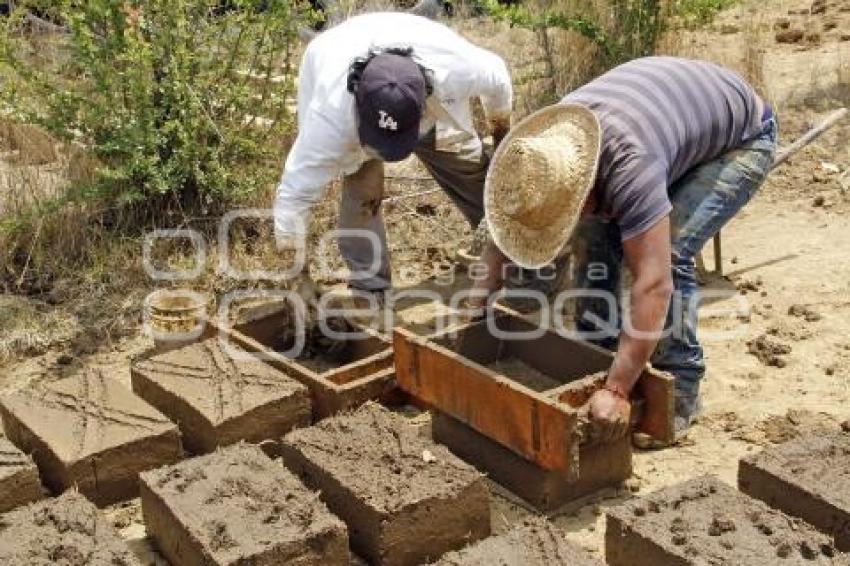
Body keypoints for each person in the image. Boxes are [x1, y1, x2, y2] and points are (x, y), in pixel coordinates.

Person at [470, 56, 778, 441]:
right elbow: (503, 235)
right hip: (664, 115)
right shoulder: (537, 155)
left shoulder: (630, 167)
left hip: (742, 138)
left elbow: (654, 283)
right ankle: (594, 352)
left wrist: (617, 391)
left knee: (671, 252)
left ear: (583, 185)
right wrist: (477, 307)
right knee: (593, 236)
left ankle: (678, 391)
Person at [273, 12, 512, 300]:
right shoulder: (331, 119)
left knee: (471, 170)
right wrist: (298, 277)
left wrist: (501, 145)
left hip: (428, 91)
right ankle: (370, 286)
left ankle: (510, 251)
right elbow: (293, 196)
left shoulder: (457, 69)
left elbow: (499, 80)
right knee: (362, 190)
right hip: (343, 78)